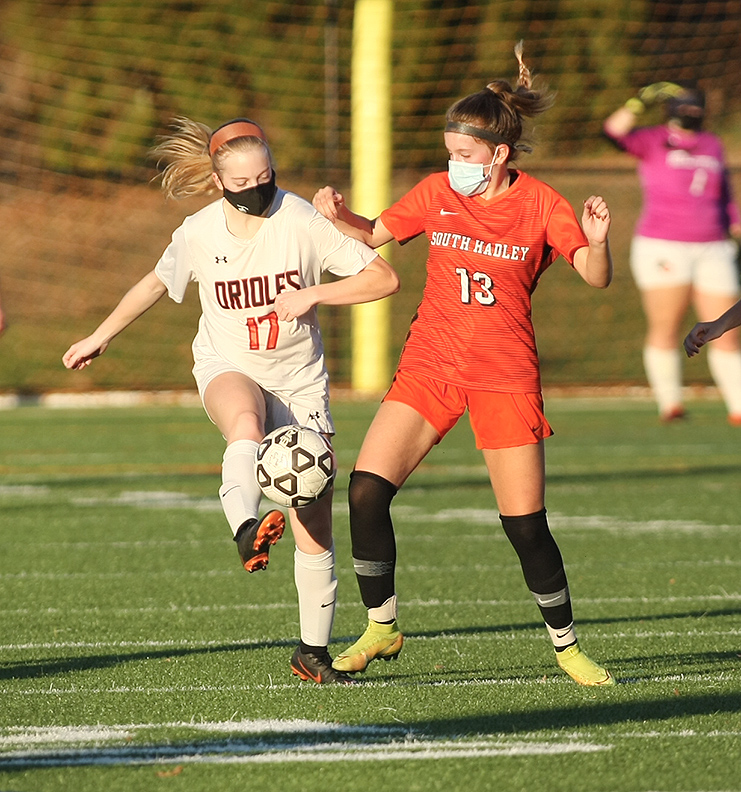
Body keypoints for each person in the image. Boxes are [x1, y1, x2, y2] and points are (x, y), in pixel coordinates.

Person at [312, 42, 615, 686]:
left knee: (525, 525)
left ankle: (566, 647)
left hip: (504, 377)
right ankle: (382, 626)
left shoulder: (540, 204)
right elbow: (375, 234)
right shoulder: (433, 193)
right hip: (430, 366)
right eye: (450, 153)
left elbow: (594, 275)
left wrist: (600, 241)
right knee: (365, 491)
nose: (455, 165)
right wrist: (339, 217)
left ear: (499, 154)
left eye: (466, 155)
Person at [62, 116, 399, 685]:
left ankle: (311, 653)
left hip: (298, 380)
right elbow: (154, 282)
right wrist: (101, 334)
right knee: (243, 419)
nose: (256, 188)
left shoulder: (300, 219)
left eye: (266, 176)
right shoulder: (199, 231)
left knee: (313, 521)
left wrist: (314, 293)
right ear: (220, 184)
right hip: (228, 364)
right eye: (242, 182)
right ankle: (245, 527)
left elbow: (383, 279)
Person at [603, 81, 741, 424]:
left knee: (727, 328)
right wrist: (639, 101)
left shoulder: (712, 143)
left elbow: (723, 193)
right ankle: (671, 405)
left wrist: (736, 223)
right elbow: (612, 132)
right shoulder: (652, 138)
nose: (691, 113)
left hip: (713, 246)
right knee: (666, 325)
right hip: (664, 245)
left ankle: (738, 406)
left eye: (697, 108)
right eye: (686, 107)